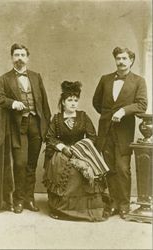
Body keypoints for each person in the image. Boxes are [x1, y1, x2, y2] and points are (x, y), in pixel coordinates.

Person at [0, 43, 51, 213]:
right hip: (18, 126)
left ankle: (29, 199)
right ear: (12, 58)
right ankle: (18, 200)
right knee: (20, 163)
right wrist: (13, 103)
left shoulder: (36, 76)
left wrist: (46, 126)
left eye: (22, 55)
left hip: (36, 124)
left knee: (31, 165)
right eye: (16, 55)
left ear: (27, 58)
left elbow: (44, 103)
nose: (19, 58)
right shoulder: (4, 79)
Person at [92, 47, 147, 219]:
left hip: (124, 131)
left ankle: (124, 204)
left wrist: (123, 111)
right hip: (106, 130)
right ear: (115, 60)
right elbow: (96, 102)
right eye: (118, 58)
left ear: (131, 60)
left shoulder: (138, 81)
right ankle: (113, 204)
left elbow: (141, 105)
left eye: (124, 58)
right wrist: (108, 115)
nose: (121, 61)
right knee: (108, 168)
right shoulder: (105, 79)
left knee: (123, 168)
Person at [43, 81, 109, 222]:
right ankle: (62, 208)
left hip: (81, 152)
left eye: (75, 100)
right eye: (69, 100)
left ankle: (87, 209)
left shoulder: (83, 117)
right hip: (62, 153)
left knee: (84, 170)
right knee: (69, 170)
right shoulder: (56, 119)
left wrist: (80, 148)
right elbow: (50, 138)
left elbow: (92, 136)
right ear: (63, 102)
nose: (73, 103)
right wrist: (63, 148)